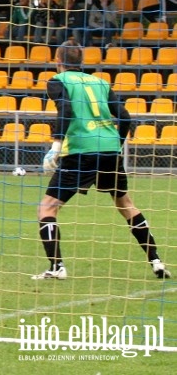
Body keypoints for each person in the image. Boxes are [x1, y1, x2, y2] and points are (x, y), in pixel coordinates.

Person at [34, 41, 170, 280]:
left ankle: (57, 267)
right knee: (125, 204)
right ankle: (156, 260)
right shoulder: (101, 82)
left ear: (58, 61)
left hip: (80, 151)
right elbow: (125, 117)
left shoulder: (58, 81)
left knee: (47, 207)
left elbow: (65, 109)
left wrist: (55, 145)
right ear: (81, 62)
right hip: (108, 148)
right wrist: (114, 145)